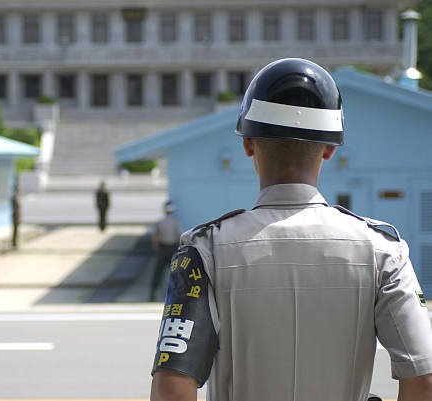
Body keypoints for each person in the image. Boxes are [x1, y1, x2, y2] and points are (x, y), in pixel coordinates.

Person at [150, 58, 432, 401]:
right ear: (329, 149)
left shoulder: (205, 250)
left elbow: (172, 387)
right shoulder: (384, 251)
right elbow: (424, 379)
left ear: (248, 143)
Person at [150, 201, 182, 301]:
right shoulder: (176, 222)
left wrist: (156, 248)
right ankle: (179, 294)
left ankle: (152, 293)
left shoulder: (161, 222)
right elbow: (179, 237)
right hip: (173, 249)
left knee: (158, 272)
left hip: (163, 249)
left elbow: (156, 237)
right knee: (176, 273)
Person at [11, 180, 21, 249]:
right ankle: (14, 243)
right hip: (15, 216)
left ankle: (15, 242)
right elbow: (15, 208)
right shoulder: (14, 197)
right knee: (15, 230)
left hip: (17, 216)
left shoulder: (17, 197)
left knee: (16, 230)